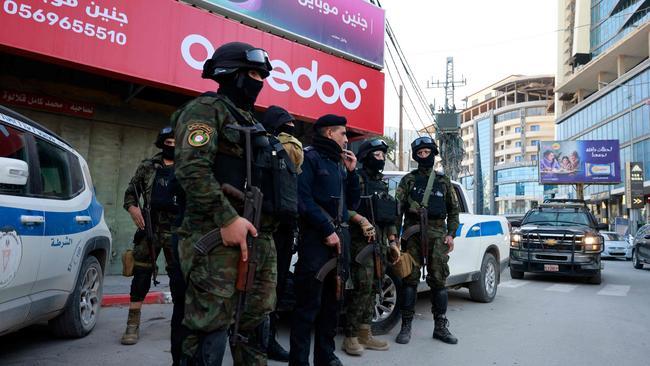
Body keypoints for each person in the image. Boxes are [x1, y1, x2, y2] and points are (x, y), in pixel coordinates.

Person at [171, 41, 280, 365]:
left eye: (262, 75)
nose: (259, 81)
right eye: (252, 73)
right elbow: (191, 169)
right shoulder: (205, 110)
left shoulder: (251, 120)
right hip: (215, 239)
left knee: (256, 326)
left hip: (257, 238)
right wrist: (226, 218)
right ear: (229, 73)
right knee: (210, 330)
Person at [289, 114, 361, 366]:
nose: (346, 139)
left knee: (333, 303)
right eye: (343, 133)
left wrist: (352, 174)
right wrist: (325, 228)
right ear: (329, 133)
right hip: (317, 241)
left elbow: (352, 204)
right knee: (308, 306)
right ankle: (299, 361)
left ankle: (325, 356)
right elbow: (303, 199)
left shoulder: (339, 163)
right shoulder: (310, 158)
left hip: (341, 238)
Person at [120, 126, 186, 362]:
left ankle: (181, 325)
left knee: (179, 277)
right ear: (161, 143)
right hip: (150, 228)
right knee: (140, 274)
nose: (172, 145)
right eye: (168, 141)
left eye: (175, 141)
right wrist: (133, 208)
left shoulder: (187, 167)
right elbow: (130, 192)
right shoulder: (148, 166)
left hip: (177, 231)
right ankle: (132, 324)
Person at [393, 136, 460, 345]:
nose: (424, 156)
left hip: (438, 238)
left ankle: (440, 326)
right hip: (412, 236)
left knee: (439, 282)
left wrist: (451, 234)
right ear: (416, 156)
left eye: (427, 152)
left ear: (433, 153)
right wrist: (394, 238)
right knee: (409, 281)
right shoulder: (408, 180)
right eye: (420, 153)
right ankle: (406, 326)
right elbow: (397, 211)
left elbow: (454, 211)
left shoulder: (443, 181)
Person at [342, 138, 399, 356]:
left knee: (375, 287)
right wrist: (360, 220)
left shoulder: (382, 184)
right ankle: (350, 336)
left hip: (381, 245)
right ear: (367, 157)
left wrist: (393, 242)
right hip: (361, 245)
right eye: (377, 155)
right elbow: (343, 208)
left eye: (383, 155)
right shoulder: (355, 179)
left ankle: (365, 332)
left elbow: (389, 216)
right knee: (361, 289)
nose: (382, 159)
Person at [261, 105, 304, 362]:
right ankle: (258, 339)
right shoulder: (264, 146)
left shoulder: (288, 151)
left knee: (273, 289)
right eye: (287, 124)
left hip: (285, 228)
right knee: (262, 289)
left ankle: (268, 338)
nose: (291, 128)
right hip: (263, 227)